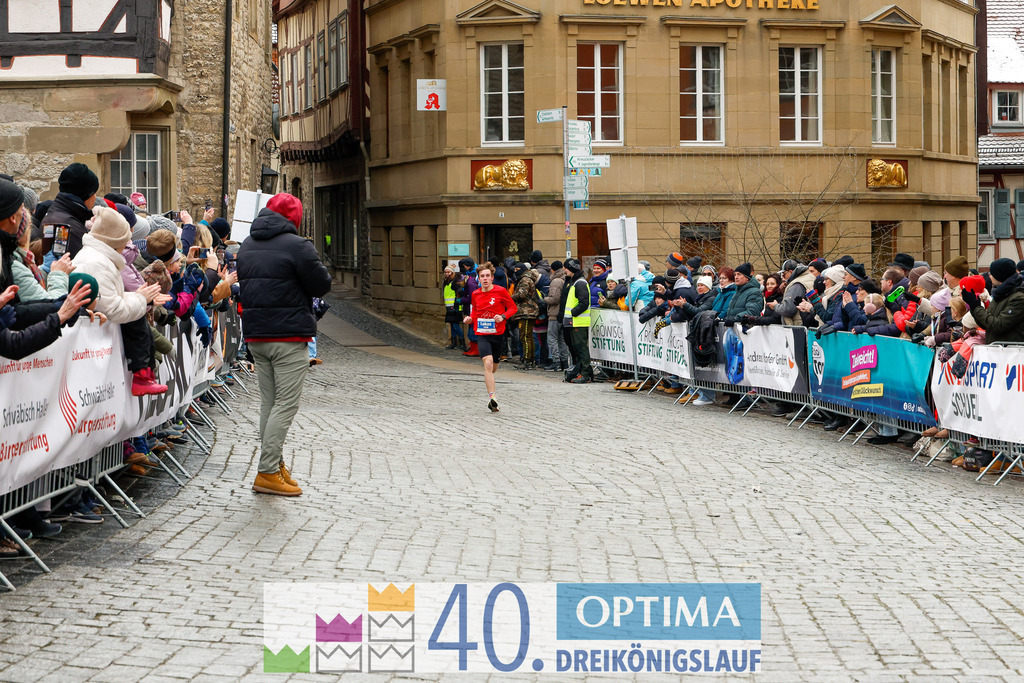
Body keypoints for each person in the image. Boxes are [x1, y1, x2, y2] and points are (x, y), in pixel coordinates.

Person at [238, 193, 332, 497]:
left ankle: (274, 465)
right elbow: (321, 285)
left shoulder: (247, 245)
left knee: (269, 403)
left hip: (257, 336)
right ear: (295, 219)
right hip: (288, 336)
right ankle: (266, 470)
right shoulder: (298, 245)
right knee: (286, 404)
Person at [72, 205, 171, 396]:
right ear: (114, 241)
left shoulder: (102, 258)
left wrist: (140, 297)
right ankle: (142, 375)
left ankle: (145, 374)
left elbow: (113, 296)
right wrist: (142, 299)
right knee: (136, 320)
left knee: (139, 319)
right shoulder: (98, 262)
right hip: (92, 337)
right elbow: (114, 309)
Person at [462, 262, 516, 411]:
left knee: (494, 367)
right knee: (487, 363)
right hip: (482, 334)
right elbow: (475, 312)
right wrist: (470, 318)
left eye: (487, 276)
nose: (485, 279)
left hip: (498, 334)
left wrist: (503, 316)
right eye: (482, 276)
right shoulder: (476, 294)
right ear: (478, 279)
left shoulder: (501, 291)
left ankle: (490, 382)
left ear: (492, 278)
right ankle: (492, 397)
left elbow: (513, 307)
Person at [40, 162, 99, 258]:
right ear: (86, 194)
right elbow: (76, 267)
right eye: (94, 192)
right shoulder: (67, 227)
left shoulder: (59, 214)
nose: (95, 197)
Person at [962, 258, 1024, 343]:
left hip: (1010, 352)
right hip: (996, 351)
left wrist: (977, 308)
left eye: (992, 274)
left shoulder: (1018, 299)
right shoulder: (1000, 294)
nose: (990, 277)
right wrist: (974, 306)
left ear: (1000, 276)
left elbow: (998, 325)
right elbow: (987, 324)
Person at [560, 258, 593, 383]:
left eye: (567, 268)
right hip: (574, 322)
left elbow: (584, 303)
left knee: (581, 349)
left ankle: (586, 374)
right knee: (577, 349)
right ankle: (581, 372)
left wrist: (573, 313)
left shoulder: (580, 283)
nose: (565, 270)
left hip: (579, 322)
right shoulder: (575, 282)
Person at [510, 262, 539, 368]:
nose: (515, 271)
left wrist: (510, 297)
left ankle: (528, 360)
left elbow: (522, 294)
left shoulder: (525, 279)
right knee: (528, 336)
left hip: (526, 311)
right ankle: (530, 360)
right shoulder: (526, 278)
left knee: (525, 336)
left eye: (517, 269)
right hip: (527, 311)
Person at [543, 260, 570, 372]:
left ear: (553, 270)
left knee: (552, 338)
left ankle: (556, 362)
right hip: (563, 314)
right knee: (562, 339)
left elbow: (554, 298)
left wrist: (544, 298)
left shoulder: (555, 281)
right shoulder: (565, 279)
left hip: (554, 313)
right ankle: (564, 362)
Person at [442, 265, 466, 350]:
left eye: (448, 272)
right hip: (449, 306)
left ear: (452, 272)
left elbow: (459, 292)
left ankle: (462, 343)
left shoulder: (454, 282)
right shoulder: (446, 281)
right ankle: (453, 342)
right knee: (452, 324)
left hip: (454, 306)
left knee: (455, 325)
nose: (447, 274)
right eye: (445, 272)